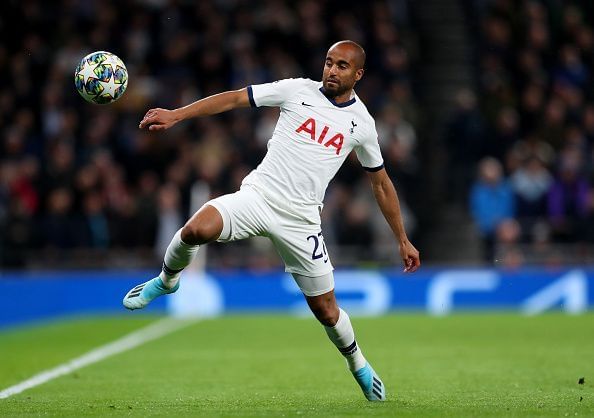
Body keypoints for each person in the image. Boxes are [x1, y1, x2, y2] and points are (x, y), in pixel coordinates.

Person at [123, 40, 420, 402]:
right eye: (328, 62)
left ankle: (357, 363)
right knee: (195, 229)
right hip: (258, 197)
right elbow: (234, 98)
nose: (331, 70)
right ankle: (167, 281)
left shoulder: (363, 125)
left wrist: (402, 239)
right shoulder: (296, 89)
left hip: (302, 222)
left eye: (342, 66)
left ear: (358, 74)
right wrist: (177, 114)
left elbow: (381, 183)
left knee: (326, 311)